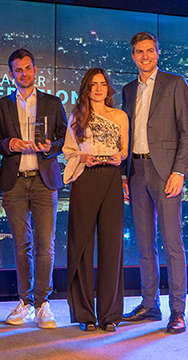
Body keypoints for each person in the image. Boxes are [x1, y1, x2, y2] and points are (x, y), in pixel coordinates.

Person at [121, 31, 188, 334]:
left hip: (166, 174)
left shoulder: (175, 83)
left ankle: (178, 310)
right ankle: (149, 303)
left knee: (172, 243)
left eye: (150, 50)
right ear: (133, 55)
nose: (145, 56)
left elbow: (186, 132)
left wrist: (179, 171)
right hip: (136, 172)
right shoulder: (127, 90)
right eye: (139, 51)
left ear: (158, 53)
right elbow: (125, 134)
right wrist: (124, 173)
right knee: (144, 243)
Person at [0, 48, 67, 329]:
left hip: (44, 180)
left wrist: (51, 147)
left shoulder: (52, 102)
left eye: (27, 68)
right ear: (11, 75)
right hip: (14, 181)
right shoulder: (1, 105)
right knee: (22, 245)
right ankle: (25, 302)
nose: (23, 74)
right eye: (18, 70)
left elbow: (63, 137)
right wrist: (10, 144)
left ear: (35, 70)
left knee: (45, 246)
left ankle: (42, 303)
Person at [63, 68, 128, 332]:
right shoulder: (77, 117)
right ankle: (85, 314)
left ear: (109, 88)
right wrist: (82, 157)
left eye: (103, 84)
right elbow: (68, 151)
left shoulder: (120, 116)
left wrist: (119, 157)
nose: (99, 88)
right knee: (81, 245)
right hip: (85, 179)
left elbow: (125, 149)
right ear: (86, 88)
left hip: (111, 178)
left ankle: (110, 315)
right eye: (93, 84)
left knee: (112, 247)